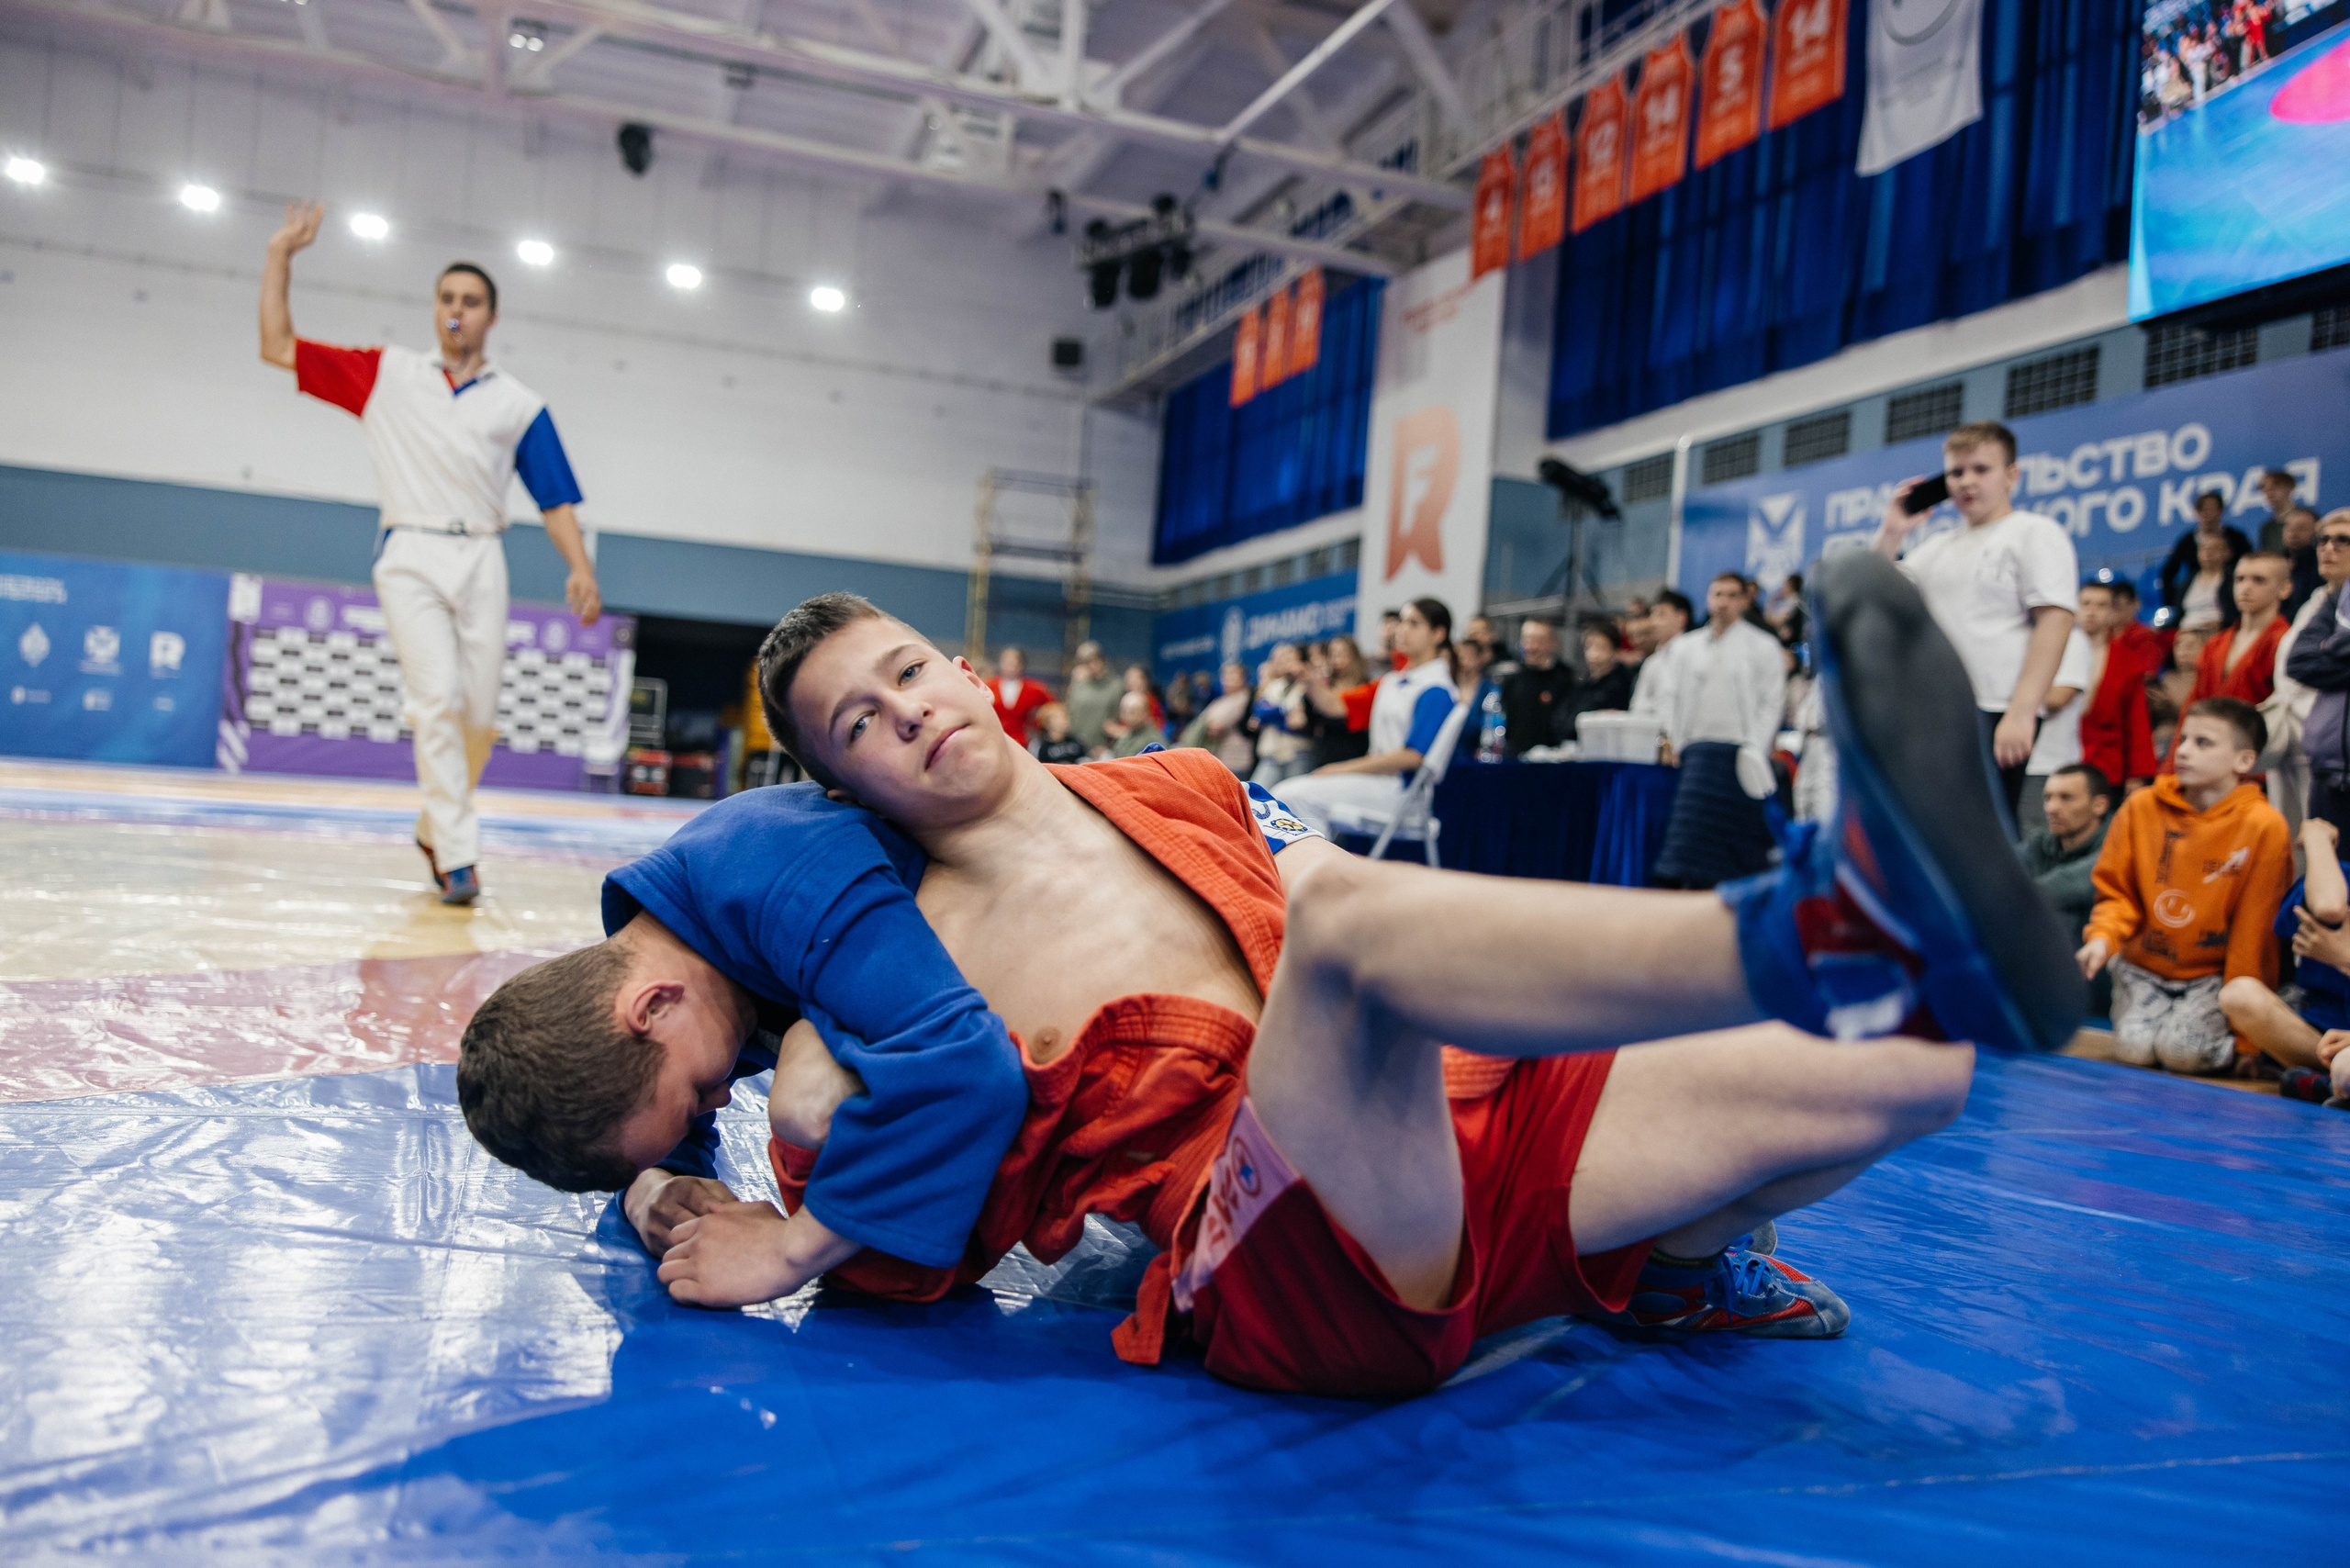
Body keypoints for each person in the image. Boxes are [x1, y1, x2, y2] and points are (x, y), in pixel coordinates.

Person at [565, 556, 2080, 1400]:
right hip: (1283, 1264)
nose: (901, 717)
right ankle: (1829, 925)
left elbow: (1438, 961)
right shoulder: (905, 987)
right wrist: (688, 1205)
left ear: (965, 670)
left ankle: (1674, 1270)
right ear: (846, 789)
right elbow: (891, 1250)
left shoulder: (1177, 777)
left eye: (906, 672)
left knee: (1919, 1071)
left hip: (1458, 1131)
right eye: (854, 729)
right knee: (1350, 931)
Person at [258, 202, 603, 907]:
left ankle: (432, 825)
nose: (457, 310)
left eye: (471, 301)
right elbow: (276, 346)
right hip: (409, 551)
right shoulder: (386, 374)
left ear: (491, 317)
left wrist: (581, 568)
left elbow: (555, 499)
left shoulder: (518, 404)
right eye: (447, 298)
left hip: (482, 557)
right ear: (433, 308)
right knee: (436, 701)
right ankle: (458, 856)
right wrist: (280, 257)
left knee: (476, 718)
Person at [1874, 420, 2077, 816]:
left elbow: (2054, 620)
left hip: (1996, 709)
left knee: (1984, 839)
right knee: (1930, 834)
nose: (1967, 482)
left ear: (2011, 475)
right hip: (1932, 712)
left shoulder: (2034, 532)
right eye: (1956, 472)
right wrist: (1892, 532)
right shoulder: (1933, 549)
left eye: (1981, 469)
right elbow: (1874, 593)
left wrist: (2022, 710)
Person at [2078, 698, 2292, 1074]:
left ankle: (2235, 1036)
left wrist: (2248, 1042)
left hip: (2209, 976)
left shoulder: (2264, 826)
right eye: (2183, 740)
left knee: (2184, 1054)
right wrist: (2102, 938)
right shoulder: (2141, 806)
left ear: (2243, 761)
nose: (2185, 752)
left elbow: (2255, 935)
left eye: (2203, 743)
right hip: (2142, 965)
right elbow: (2117, 892)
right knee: (2134, 1050)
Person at [1639, 575, 1789, 889]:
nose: (1723, 601)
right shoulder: (1685, 647)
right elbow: (1670, 697)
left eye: (1732, 595)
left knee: (1735, 854)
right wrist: (1677, 743)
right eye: (1717, 594)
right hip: (1694, 756)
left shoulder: (1763, 646)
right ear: (1708, 599)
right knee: (1689, 852)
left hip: (1740, 756)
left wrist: (1755, 750)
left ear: (1744, 601)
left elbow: (1771, 703)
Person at [1275, 600, 1460, 837]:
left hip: (1400, 792)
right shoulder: (1392, 681)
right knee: (1288, 794)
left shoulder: (1437, 688)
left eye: (1414, 624)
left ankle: (1318, 871)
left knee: (1291, 795)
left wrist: (1340, 769)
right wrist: (1306, 678)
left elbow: (1412, 756)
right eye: (1402, 622)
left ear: (1438, 633)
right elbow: (1335, 705)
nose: (1402, 630)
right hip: (1378, 783)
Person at [2218, 819, 2350, 1106]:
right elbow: (2329, 905)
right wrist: (2318, 841)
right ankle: (2330, 1081)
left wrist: (2344, 958)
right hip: (2324, 1035)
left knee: (2346, 1068)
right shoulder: (2331, 881)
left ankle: (2330, 1085)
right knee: (2238, 995)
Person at [2265, 510, 2350, 835]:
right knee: (2296, 851)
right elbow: (2299, 663)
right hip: (2297, 744)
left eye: (2344, 540)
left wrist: (2327, 651)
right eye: (2323, 540)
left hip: (2336, 753)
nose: (2329, 548)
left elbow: (2309, 664)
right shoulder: (2315, 602)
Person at [2169, 552, 2290, 771]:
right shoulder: (2215, 645)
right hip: (2208, 763)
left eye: (2259, 580)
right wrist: (2171, 768)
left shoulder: (2286, 641)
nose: (2246, 587)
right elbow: (2193, 708)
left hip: (2263, 764)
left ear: (2284, 589)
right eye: (2239, 579)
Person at [2021, 762, 2116, 1013]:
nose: (2052, 808)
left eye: (2066, 798)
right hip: (2056, 970)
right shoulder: (2040, 842)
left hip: (2102, 970)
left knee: (2062, 911)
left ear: (2099, 805)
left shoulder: (2119, 842)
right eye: (2048, 798)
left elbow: (2071, 885)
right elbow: (2000, 879)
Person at [2075, 575, 2160, 797]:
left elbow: (2137, 723)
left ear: (2113, 613)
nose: (2091, 611)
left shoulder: (2128, 661)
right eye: (2085, 604)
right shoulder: (2054, 653)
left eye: (2101, 605)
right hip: (2060, 760)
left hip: (2108, 768)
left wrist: (2137, 775)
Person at [2018, 627, 2091, 833]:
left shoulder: (2073, 638)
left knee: (2038, 844)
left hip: (2048, 766)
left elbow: (2058, 698)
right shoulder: (2008, 633)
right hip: (2007, 761)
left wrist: (2007, 691)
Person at [2159, 491, 2253, 619]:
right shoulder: (2187, 541)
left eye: (2211, 509)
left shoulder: (2237, 538)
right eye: (2202, 509)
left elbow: (2249, 563)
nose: (2206, 513)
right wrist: (2173, 602)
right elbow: (2168, 571)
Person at [1498, 618, 1577, 756]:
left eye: (1538, 641)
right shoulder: (1511, 680)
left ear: (1553, 643)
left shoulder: (1567, 681)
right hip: (1512, 763)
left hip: (1551, 767)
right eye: (1527, 640)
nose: (1531, 647)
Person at [1300, 633, 1375, 768]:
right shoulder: (1324, 686)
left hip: (1354, 753)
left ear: (1353, 655)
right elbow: (1311, 722)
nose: (1337, 658)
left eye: (1341, 653)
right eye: (1333, 653)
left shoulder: (1364, 688)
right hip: (1325, 753)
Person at [1560, 620, 1638, 742]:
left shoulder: (1621, 685)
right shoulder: (1580, 685)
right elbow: (1561, 721)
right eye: (1589, 646)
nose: (1594, 655)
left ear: (1615, 651)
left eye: (1602, 648)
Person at [1248, 644, 1312, 787]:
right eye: (1282, 660)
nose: (1286, 664)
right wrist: (1285, 711)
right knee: (1254, 797)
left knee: (1293, 800)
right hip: (1272, 754)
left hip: (1298, 753)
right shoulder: (1274, 685)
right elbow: (1260, 713)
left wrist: (1274, 718)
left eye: (1290, 659)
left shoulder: (1309, 685)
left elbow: (1302, 725)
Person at [2148, 623, 2207, 764]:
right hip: (2161, 748)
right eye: (2178, 646)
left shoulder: (2208, 680)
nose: (2182, 651)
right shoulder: (2167, 679)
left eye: (2190, 646)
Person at [1628, 591, 1694, 714]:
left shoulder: (1694, 655)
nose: (1654, 622)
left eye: (1661, 615)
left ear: (1681, 617)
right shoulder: (1652, 663)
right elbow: (1637, 706)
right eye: (1653, 614)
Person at [985, 647, 1053, 748]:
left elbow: (1053, 709)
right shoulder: (988, 685)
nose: (1010, 665)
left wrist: (1037, 725)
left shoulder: (1035, 689)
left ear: (1021, 665)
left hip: (1024, 741)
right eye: (1007, 661)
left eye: (1014, 662)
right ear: (1001, 663)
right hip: (993, 738)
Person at [1062, 643, 1123, 755]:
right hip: (1074, 747)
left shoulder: (1116, 686)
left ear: (1100, 661)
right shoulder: (1079, 685)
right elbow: (1069, 712)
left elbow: (1118, 722)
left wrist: (1108, 747)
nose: (1087, 666)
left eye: (1090, 661)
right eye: (1083, 663)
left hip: (1100, 750)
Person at [2254, 469, 2303, 554]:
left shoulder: (2306, 518)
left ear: (2290, 487)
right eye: (2265, 490)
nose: (2270, 494)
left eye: (2275, 488)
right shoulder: (2267, 527)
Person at [1105, 691, 1160, 758]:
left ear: (1145, 712)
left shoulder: (1153, 741)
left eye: (1133, 712)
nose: (1128, 716)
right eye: (1124, 711)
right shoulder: (1124, 737)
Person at [1031, 702, 1087, 766]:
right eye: (1062, 717)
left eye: (1067, 717)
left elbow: (1085, 760)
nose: (1066, 721)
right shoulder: (1039, 745)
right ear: (1048, 723)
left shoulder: (1076, 741)